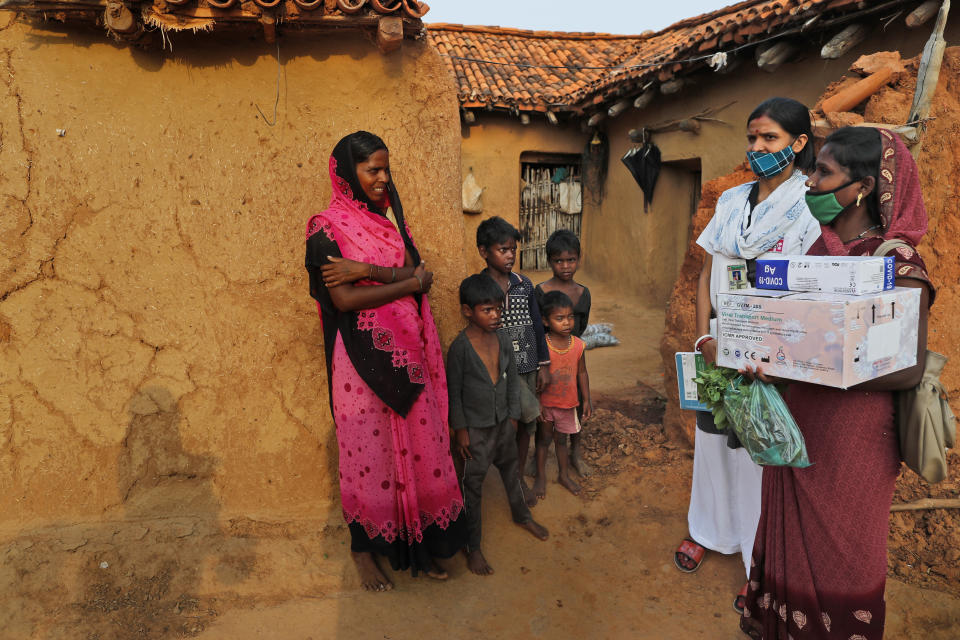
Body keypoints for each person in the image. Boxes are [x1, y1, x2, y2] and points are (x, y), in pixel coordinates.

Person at [740, 127, 934, 640]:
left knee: (844, 554)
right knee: (787, 538)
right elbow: (784, 332)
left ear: (863, 186)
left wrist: (812, 359)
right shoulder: (813, 251)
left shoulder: (896, 264)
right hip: (798, 425)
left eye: (824, 172)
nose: (811, 181)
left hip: (854, 438)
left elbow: (906, 368)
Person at [304, 131, 467, 592]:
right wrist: (404, 282)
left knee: (419, 451)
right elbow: (343, 300)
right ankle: (364, 551)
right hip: (359, 364)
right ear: (346, 174)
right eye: (372, 170)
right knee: (370, 458)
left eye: (385, 169)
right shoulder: (325, 229)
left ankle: (423, 548)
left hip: (409, 357)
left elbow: (424, 275)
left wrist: (370, 273)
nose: (382, 179)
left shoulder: (389, 223)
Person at [677, 98, 821, 614]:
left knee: (759, 455)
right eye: (753, 138)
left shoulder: (810, 205)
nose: (758, 148)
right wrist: (703, 340)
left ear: (799, 144)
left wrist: (777, 352)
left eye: (771, 139)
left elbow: (811, 289)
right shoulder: (732, 201)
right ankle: (708, 531)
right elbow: (704, 277)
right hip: (719, 345)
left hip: (772, 353)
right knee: (713, 445)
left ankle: (755, 561)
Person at [447, 274, 550, 576]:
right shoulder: (460, 349)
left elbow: (513, 382)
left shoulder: (503, 340)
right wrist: (461, 429)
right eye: (487, 310)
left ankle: (522, 515)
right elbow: (453, 392)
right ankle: (473, 546)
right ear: (468, 311)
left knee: (512, 472)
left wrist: (515, 416)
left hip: (504, 424)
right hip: (476, 431)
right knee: (473, 486)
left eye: (498, 309)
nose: (495, 316)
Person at [476, 216, 551, 507]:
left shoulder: (524, 284)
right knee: (511, 425)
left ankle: (518, 475)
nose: (509, 255)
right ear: (484, 252)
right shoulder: (480, 287)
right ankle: (505, 475)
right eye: (502, 250)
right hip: (501, 372)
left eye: (513, 250)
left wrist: (543, 364)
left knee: (526, 425)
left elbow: (536, 324)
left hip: (528, 365)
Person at [535, 229, 593, 476]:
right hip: (547, 358)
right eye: (559, 261)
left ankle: (575, 452)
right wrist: (543, 364)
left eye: (571, 260)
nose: (566, 266)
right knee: (545, 405)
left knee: (576, 401)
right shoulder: (540, 292)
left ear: (578, 259)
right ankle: (538, 454)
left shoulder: (583, 293)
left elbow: (581, 329)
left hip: (573, 355)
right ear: (550, 262)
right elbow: (537, 329)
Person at [533, 290, 592, 499]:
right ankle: (540, 477)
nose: (567, 323)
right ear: (545, 321)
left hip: (568, 405)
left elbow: (582, 372)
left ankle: (564, 475)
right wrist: (537, 403)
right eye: (560, 318)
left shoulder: (577, 345)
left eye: (570, 317)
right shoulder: (542, 346)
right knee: (543, 441)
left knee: (562, 442)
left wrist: (586, 400)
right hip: (547, 405)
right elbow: (535, 378)